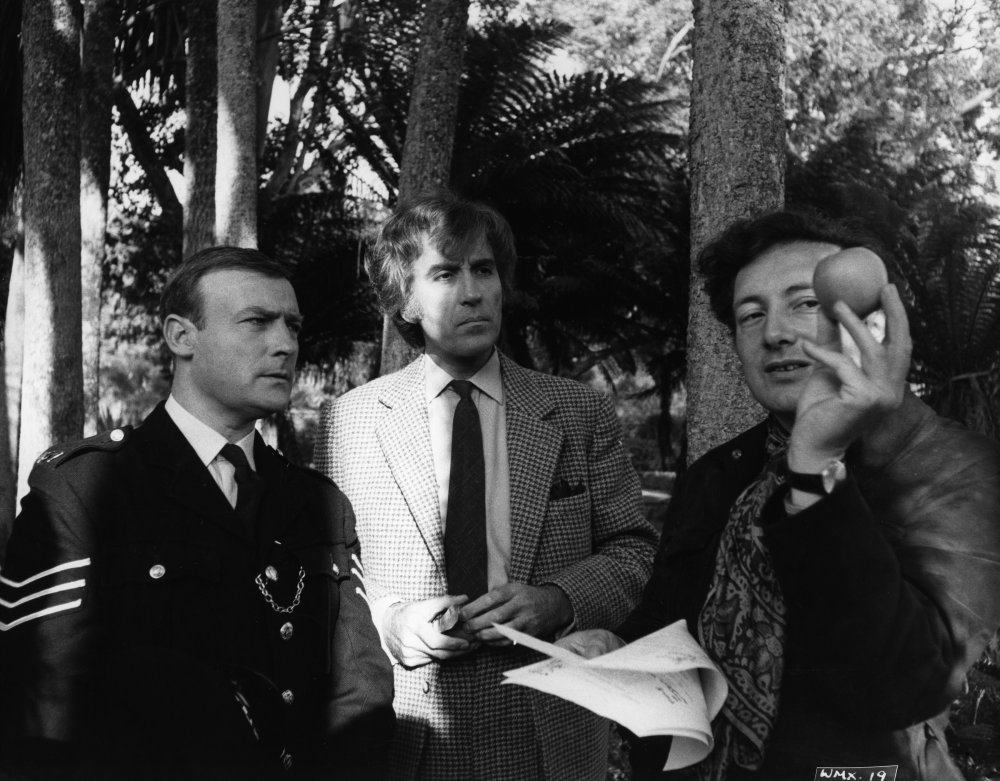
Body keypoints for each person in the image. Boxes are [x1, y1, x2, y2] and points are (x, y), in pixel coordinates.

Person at [559, 211, 1000, 781]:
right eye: (751, 315)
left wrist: (814, 467)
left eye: (806, 303)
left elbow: (905, 684)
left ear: (873, 323)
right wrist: (615, 645)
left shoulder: (960, 471)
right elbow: (670, 615)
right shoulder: (719, 472)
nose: (775, 333)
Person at [0, 247, 395, 780]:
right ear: (181, 337)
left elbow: (361, 695)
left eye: (293, 326)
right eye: (257, 322)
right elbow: (41, 707)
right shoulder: (84, 489)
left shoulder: (317, 503)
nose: (285, 344)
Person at [314, 191, 658, 781]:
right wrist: (394, 624)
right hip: (410, 726)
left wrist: (557, 599)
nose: (472, 291)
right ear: (405, 303)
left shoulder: (577, 411)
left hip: (552, 724)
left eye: (484, 270)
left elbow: (635, 550)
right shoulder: (351, 420)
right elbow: (330, 571)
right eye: (445, 273)